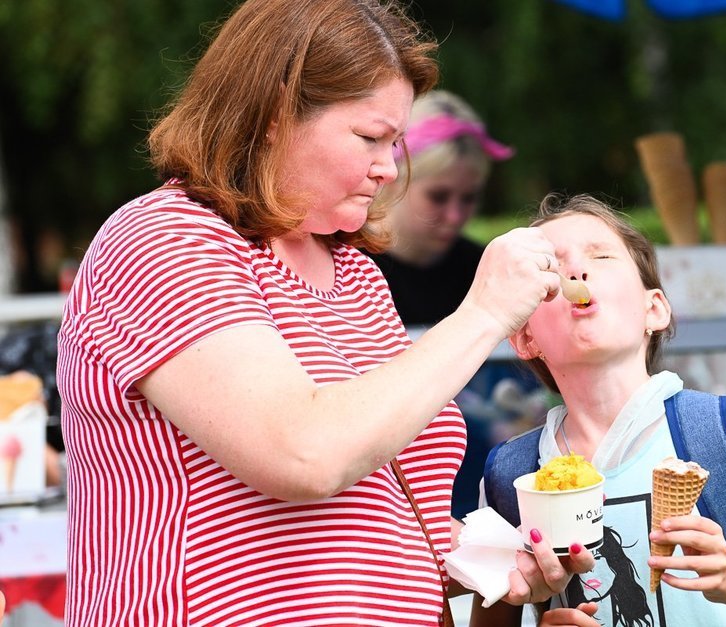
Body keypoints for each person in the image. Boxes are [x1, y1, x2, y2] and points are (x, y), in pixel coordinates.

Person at [55, 2, 594, 625]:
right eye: (369, 138)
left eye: (395, 143)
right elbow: (304, 455)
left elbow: (373, 513)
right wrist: (485, 312)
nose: (387, 168)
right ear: (277, 114)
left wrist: (491, 562)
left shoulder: (354, 272)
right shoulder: (165, 238)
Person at [470, 193, 726, 627]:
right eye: (552, 268)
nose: (576, 272)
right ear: (525, 338)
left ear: (653, 309)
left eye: (601, 256)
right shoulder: (511, 477)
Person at [367, 89, 513, 327]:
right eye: (438, 197)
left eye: (469, 198)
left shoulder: (484, 272)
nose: (454, 216)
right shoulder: (344, 268)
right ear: (395, 180)